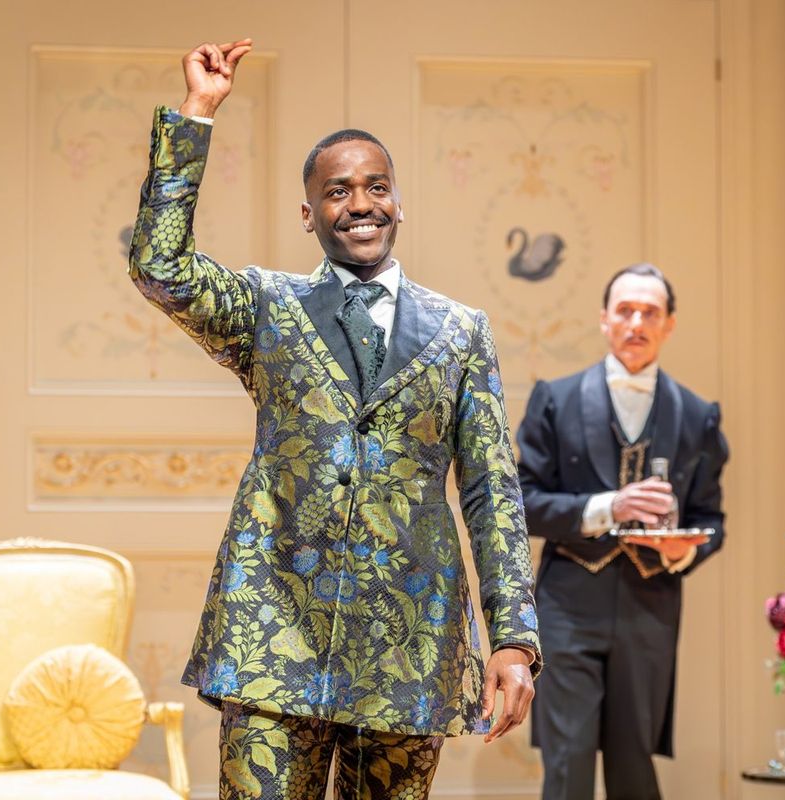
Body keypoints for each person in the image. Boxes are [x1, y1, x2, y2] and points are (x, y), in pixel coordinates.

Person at [128, 38, 541, 800]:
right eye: (338, 191)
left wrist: (513, 637)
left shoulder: (461, 332)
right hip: (272, 637)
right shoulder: (268, 308)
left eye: (376, 187)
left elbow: (492, 491)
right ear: (309, 213)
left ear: (399, 202)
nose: (360, 204)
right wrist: (197, 114)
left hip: (408, 646)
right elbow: (162, 269)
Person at [516, 263, 729, 800]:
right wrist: (611, 507)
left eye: (650, 313)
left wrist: (681, 552)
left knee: (635, 768)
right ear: (604, 319)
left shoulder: (698, 414)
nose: (637, 322)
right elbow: (523, 504)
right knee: (568, 767)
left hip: (650, 606)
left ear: (669, 324)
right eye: (625, 310)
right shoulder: (556, 399)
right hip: (567, 606)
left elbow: (711, 520)